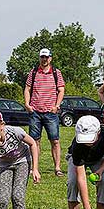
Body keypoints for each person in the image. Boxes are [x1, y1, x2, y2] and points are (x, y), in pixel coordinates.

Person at [24, 48, 65, 177]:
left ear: (50, 58)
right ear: (39, 58)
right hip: (35, 111)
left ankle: (57, 168)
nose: (44, 59)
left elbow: (61, 90)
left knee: (55, 141)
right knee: (34, 141)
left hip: (50, 113)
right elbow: (27, 89)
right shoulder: (34, 72)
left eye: (46, 57)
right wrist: (27, 104)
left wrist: (57, 106)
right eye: (42, 57)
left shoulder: (56, 73)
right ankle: (34, 168)